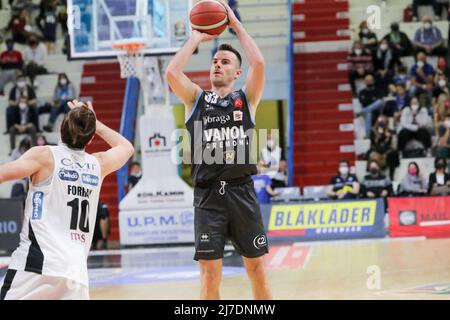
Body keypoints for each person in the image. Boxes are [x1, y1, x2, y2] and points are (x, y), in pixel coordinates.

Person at [165, 1, 271, 300]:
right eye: (215, 61)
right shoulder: (196, 99)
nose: (217, 64)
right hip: (208, 197)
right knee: (210, 275)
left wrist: (236, 25)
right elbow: (172, 72)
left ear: (237, 72)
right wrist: (197, 37)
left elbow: (260, 64)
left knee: (258, 269)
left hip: (241, 193)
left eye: (224, 62)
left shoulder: (246, 99)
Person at [0, 100, 134, 300]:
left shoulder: (44, 156)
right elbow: (126, 147)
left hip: (35, 265)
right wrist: (96, 124)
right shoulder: (98, 164)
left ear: (61, 127)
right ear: (89, 139)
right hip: (74, 274)